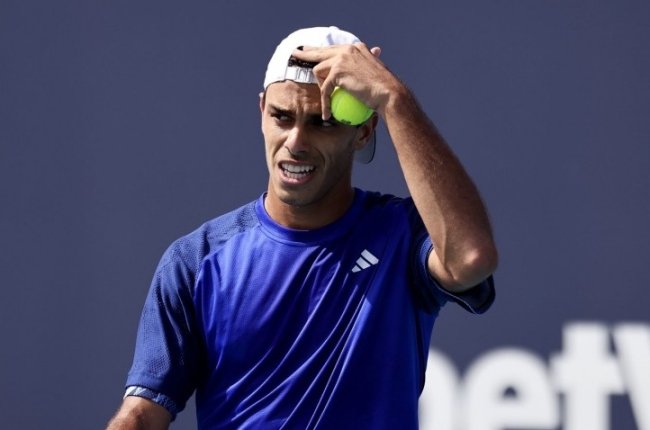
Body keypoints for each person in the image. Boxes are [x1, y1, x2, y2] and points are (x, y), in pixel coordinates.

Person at [106, 26, 498, 430]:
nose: (295, 142)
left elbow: (470, 258)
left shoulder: (402, 234)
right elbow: (142, 414)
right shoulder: (195, 261)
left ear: (363, 131)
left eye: (322, 123)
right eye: (282, 117)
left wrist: (394, 98)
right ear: (262, 112)